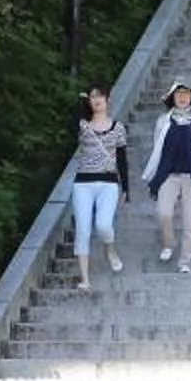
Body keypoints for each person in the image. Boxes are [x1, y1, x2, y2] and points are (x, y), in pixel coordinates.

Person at [143, 80, 191, 272]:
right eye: (179, 93)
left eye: (186, 93)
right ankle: (168, 243)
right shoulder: (163, 120)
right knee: (163, 213)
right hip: (168, 175)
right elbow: (157, 148)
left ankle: (185, 261)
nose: (183, 97)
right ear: (172, 97)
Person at [69, 86, 127, 289]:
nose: (97, 100)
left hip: (108, 183)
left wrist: (126, 188)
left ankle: (109, 250)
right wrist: (80, 102)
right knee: (82, 229)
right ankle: (85, 279)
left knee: (103, 225)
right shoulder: (83, 126)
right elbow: (70, 122)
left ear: (107, 99)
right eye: (92, 97)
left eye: (100, 96)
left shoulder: (118, 127)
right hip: (83, 183)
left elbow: (122, 159)